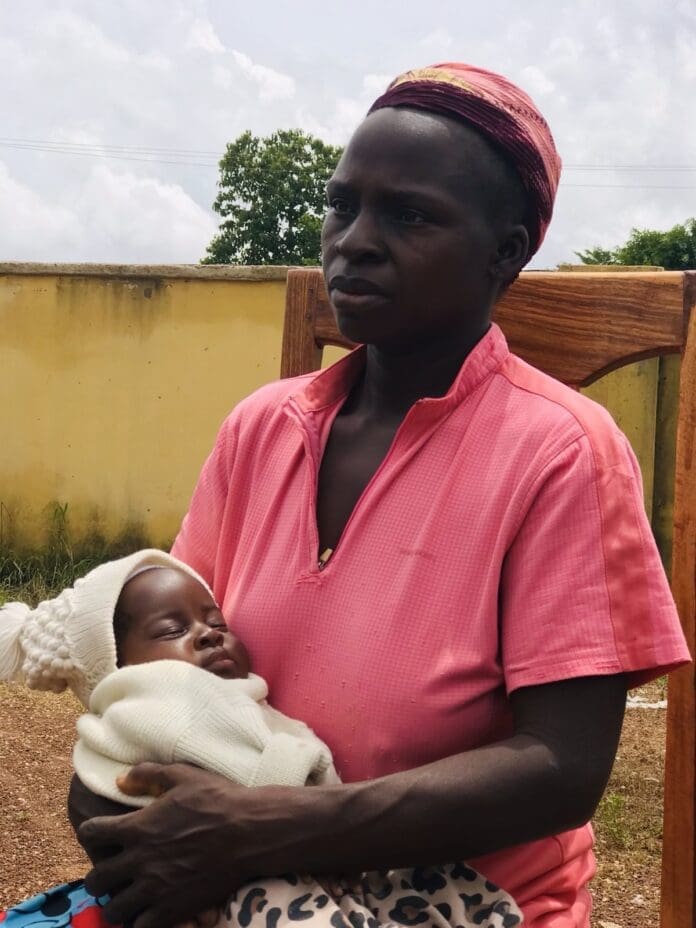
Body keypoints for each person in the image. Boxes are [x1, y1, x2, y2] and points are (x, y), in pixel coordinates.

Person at [67, 62, 691, 928]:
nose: (353, 240)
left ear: (504, 250)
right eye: (342, 204)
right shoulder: (260, 429)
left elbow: (563, 766)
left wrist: (282, 830)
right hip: (254, 896)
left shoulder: (563, 454)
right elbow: (161, 659)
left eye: (409, 215)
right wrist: (119, 801)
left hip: (468, 907)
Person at [0, 549, 523, 928]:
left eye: (214, 620)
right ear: (116, 664)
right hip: (244, 874)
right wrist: (327, 816)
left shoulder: (205, 696)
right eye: (170, 630)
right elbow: (257, 777)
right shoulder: (169, 696)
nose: (208, 633)